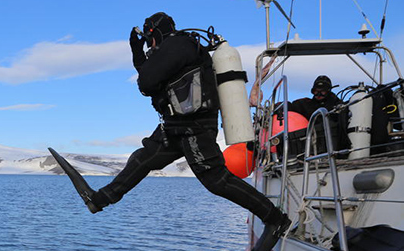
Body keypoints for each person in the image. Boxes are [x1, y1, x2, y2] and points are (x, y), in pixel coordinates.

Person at [81, 12, 289, 233]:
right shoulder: (175, 48)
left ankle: (274, 218)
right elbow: (149, 76)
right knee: (142, 160)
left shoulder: (177, 45)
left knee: (217, 180)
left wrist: (141, 55)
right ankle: (100, 199)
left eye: (148, 37)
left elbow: (147, 82)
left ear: (155, 32)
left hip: (194, 128)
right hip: (175, 127)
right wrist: (136, 52)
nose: (149, 44)